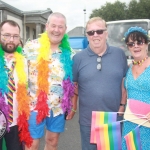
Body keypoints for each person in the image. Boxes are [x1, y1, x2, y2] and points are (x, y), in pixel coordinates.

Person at [72, 17, 128, 150]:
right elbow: (74, 85)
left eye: (99, 31)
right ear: (87, 35)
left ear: (106, 33)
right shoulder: (77, 58)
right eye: (91, 32)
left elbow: (124, 82)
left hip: (113, 118)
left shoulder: (119, 54)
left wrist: (122, 105)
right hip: (88, 121)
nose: (95, 35)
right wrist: (72, 107)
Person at [23, 12, 77, 150]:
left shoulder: (70, 53)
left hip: (58, 107)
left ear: (65, 29)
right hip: (34, 106)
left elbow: (73, 82)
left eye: (60, 27)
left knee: (52, 141)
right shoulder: (30, 47)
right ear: (46, 26)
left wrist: (72, 104)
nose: (56, 30)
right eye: (53, 26)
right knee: (32, 144)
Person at [0, 20, 31, 150]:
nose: (11, 40)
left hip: (16, 122)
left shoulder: (24, 61)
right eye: (6, 35)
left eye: (15, 36)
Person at [122, 26, 150, 149]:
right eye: (131, 44)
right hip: (130, 122)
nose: (136, 46)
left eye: (140, 42)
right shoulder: (129, 67)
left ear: (147, 44)